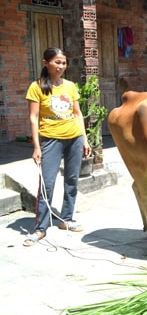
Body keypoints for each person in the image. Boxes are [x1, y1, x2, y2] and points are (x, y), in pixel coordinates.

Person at [23, 47, 92, 247]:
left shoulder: (70, 86)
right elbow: (33, 118)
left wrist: (85, 140)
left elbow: (78, 114)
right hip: (50, 141)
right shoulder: (36, 87)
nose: (61, 66)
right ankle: (40, 228)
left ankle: (66, 219)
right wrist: (37, 146)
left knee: (72, 180)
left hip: (74, 139)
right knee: (47, 184)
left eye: (63, 63)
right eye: (57, 62)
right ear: (46, 62)